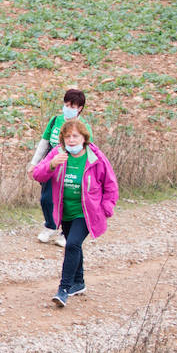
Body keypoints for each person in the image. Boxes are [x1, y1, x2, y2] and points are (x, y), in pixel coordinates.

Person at [32, 120, 118, 307]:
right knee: (74, 245)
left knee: (71, 245)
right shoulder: (57, 154)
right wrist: (52, 165)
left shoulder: (95, 157)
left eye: (75, 136)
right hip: (64, 212)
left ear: (84, 138)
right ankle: (79, 282)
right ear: (62, 138)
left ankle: (63, 289)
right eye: (67, 136)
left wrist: (106, 209)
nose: (71, 140)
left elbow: (111, 185)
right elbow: (38, 174)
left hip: (87, 213)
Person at [27, 89, 89, 247]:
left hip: (72, 166)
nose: (68, 108)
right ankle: (50, 225)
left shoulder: (83, 126)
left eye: (72, 105)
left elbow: (89, 150)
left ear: (80, 108)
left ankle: (65, 232)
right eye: (66, 104)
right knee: (46, 198)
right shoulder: (55, 120)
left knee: (67, 199)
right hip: (52, 163)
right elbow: (45, 142)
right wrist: (35, 163)